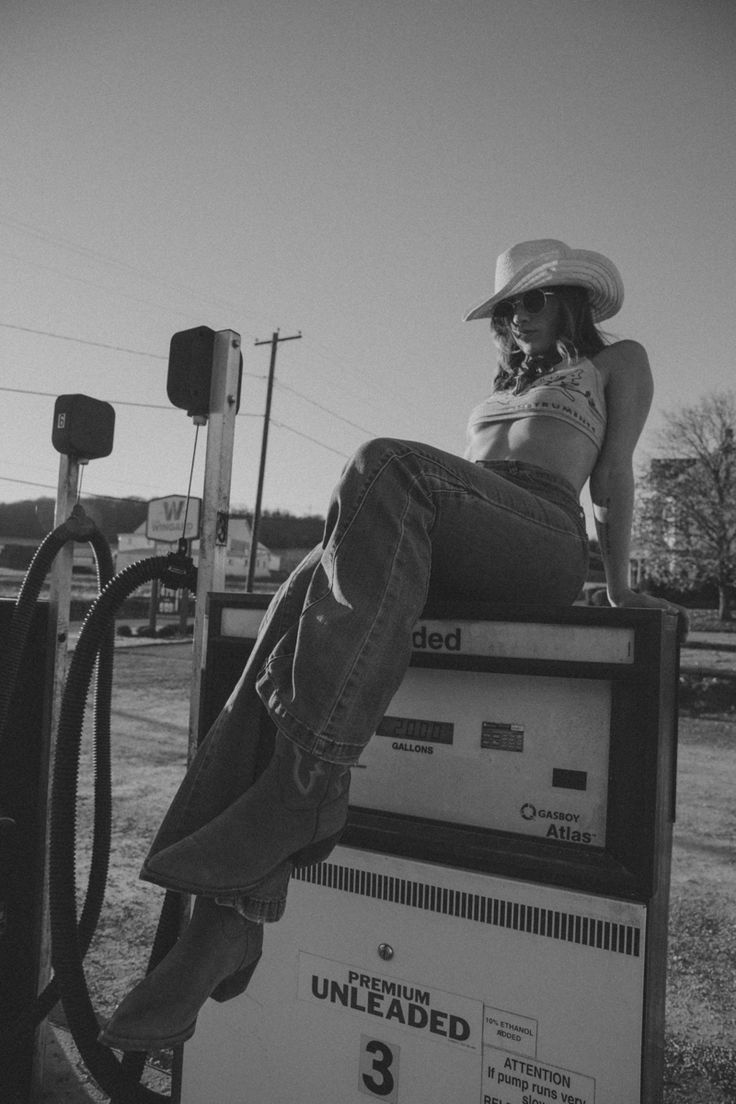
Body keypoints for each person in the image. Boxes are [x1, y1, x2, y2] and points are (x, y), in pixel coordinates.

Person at [100, 237, 684, 1052]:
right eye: (507, 307)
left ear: (574, 300)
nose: (517, 318)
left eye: (533, 300)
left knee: (382, 464)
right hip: (455, 534)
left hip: (544, 536)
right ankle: (224, 921)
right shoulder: (503, 382)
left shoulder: (619, 361)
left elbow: (614, 472)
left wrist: (618, 587)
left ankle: (306, 786)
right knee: (297, 603)